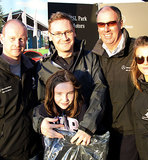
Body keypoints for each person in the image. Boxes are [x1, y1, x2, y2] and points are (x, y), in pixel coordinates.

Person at [33, 11, 106, 146]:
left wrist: (87, 127)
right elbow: (38, 103)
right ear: (50, 36)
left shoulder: (91, 59)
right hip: (58, 141)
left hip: (88, 137)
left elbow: (100, 90)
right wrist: (39, 123)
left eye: (68, 32)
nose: (64, 37)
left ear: (74, 32)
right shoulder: (43, 67)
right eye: (58, 33)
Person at [91, 6, 139, 160]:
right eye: (101, 24)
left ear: (121, 23)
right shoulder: (93, 56)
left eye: (111, 23)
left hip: (130, 133)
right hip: (102, 132)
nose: (106, 29)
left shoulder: (137, 50)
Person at [0, 19, 42, 160]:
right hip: (6, 154)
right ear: (2, 38)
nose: (17, 44)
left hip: (34, 151)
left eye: (21, 39)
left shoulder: (33, 68)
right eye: (12, 38)